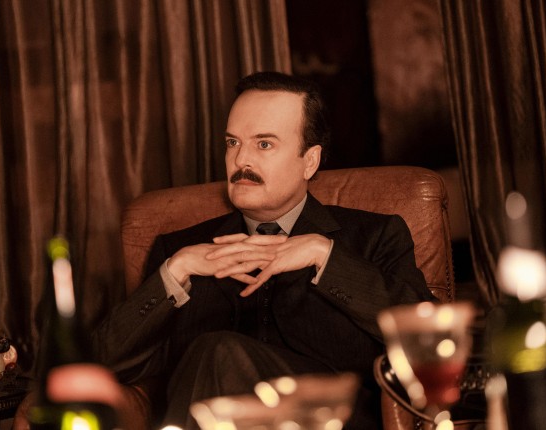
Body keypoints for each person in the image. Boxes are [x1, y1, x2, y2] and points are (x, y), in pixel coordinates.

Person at [93, 71, 435, 429]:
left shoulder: (374, 235)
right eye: (232, 142)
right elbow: (101, 367)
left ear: (310, 161)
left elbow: (430, 344)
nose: (241, 160)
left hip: (331, 421)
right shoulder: (180, 251)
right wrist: (174, 273)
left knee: (220, 352)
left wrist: (325, 256)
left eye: (264, 144)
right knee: (216, 353)